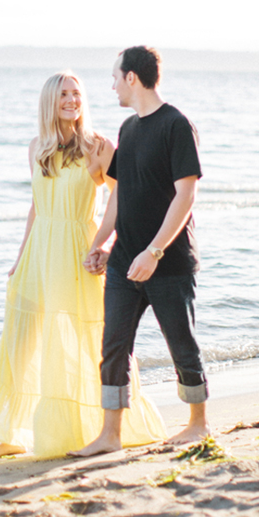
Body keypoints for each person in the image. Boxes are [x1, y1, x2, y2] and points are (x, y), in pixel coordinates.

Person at [0, 71, 166, 459]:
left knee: (82, 336)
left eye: (77, 93)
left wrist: (106, 243)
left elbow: (121, 196)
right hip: (39, 251)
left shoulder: (99, 146)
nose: (72, 100)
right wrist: (20, 257)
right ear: (50, 101)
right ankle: (12, 431)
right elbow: (36, 206)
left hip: (77, 251)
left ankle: (100, 426)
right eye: (64, 94)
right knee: (23, 336)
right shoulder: (37, 148)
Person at [72, 46, 210, 457]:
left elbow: (186, 196)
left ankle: (198, 424)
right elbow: (119, 196)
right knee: (113, 345)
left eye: (115, 77)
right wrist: (101, 244)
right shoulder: (127, 130)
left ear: (132, 77)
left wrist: (153, 251)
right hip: (123, 262)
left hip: (167, 262)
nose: (112, 85)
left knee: (181, 342)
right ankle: (110, 434)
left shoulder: (176, 125)